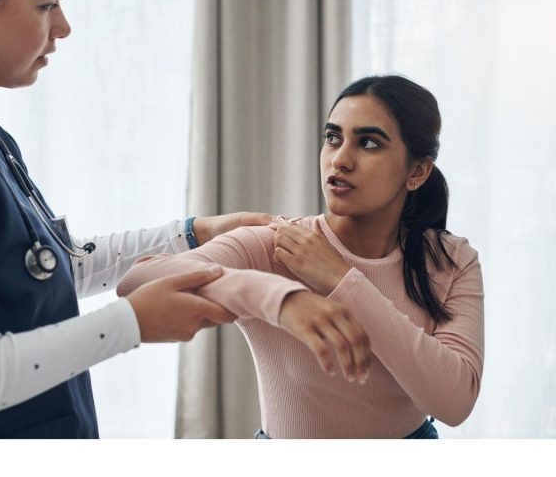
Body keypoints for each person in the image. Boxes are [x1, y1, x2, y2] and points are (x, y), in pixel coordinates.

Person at [0, 0, 370, 438]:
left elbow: (46, 272)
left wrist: (193, 233)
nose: (63, 27)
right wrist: (132, 322)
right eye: (47, 4)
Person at [118, 75, 485, 439]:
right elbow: (136, 281)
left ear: (417, 172)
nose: (339, 160)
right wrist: (276, 297)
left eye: (369, 143)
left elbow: (454, 402)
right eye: (332, 138)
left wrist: (342, 281)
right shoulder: (277, 246)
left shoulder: (451, 259)